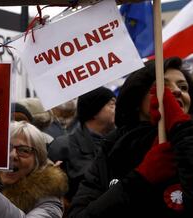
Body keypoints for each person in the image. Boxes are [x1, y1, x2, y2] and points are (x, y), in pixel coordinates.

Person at [67, 57, 193, 218]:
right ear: (137, 99)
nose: (176, 91)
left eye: (183, 87)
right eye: (162, 86)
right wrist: (140, 180)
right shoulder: (111, 150)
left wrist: (180, 128)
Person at [48, 87, 116, 202]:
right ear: (95, 111)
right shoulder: (62, 146)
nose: (116, 109)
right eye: (111, 105)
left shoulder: (120, 142)